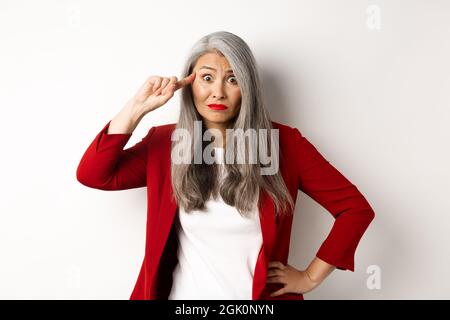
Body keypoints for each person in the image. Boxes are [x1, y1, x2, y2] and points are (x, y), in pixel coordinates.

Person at [76, 31, 375, 300]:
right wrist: (137, 108)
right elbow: (94, 174)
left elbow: (354, 209)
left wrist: (310, 277)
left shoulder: (283, 144)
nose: (218, 91)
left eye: (232, 79)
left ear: (248, 87)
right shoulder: (167, 143)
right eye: (207, 78)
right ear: (189, 84)